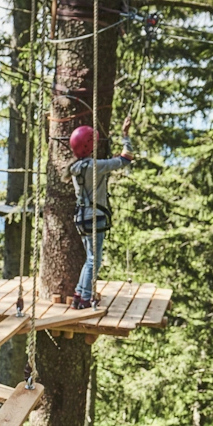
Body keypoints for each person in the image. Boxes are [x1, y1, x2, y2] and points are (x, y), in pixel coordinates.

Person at [68, 116, 134, 310]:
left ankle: (80, 293)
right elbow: (126, 158)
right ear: (90, 146)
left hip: (81, 217)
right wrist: (125, 136)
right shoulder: (97, 166)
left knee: (89, 258)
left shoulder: (75, 168)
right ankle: (85, 298)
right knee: (93, 261)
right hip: (95, 217)